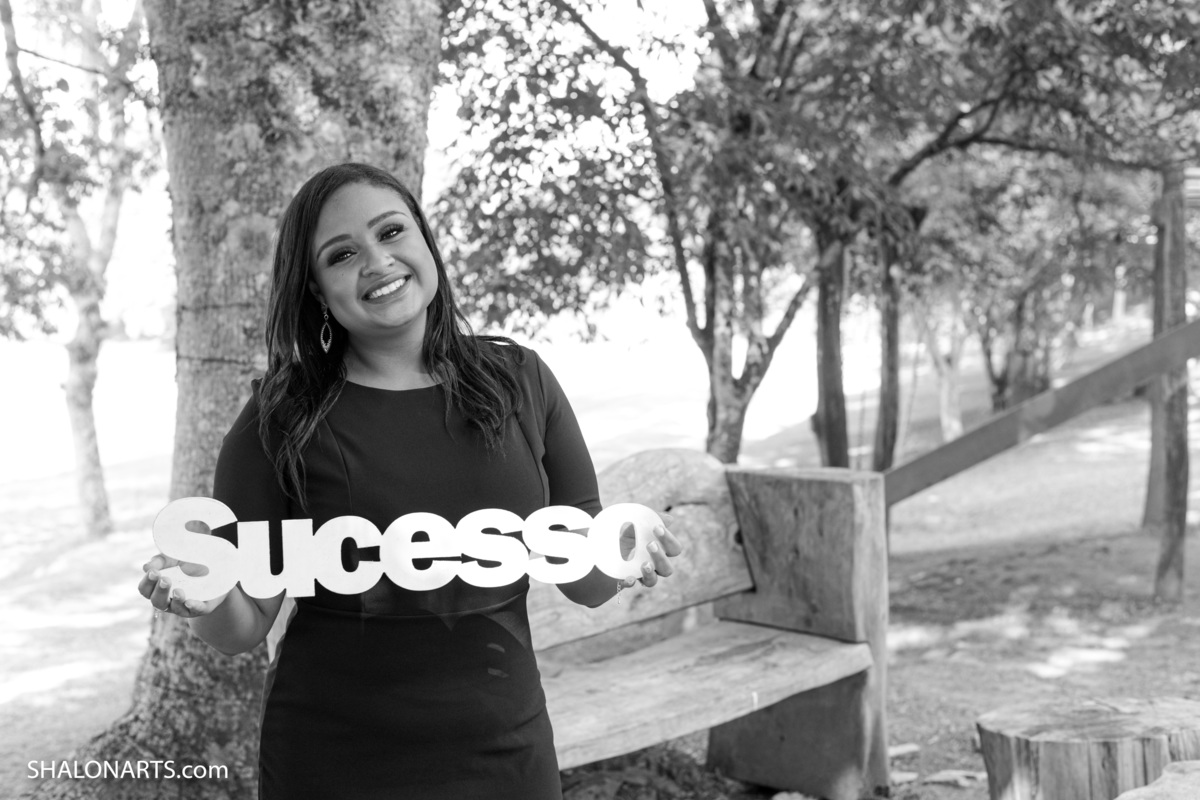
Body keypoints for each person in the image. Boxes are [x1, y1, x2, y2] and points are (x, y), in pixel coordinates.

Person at [136, 162, 681, 799]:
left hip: (506, 754)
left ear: (424, 239)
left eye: (391, 231)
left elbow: (585, 581)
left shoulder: (523, 382)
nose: (377, 261)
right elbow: (243, 627)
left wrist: (621, 557)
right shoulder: (279, 418)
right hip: (333, 762)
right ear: (316, 289)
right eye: (342, 254)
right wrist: (202, 598)